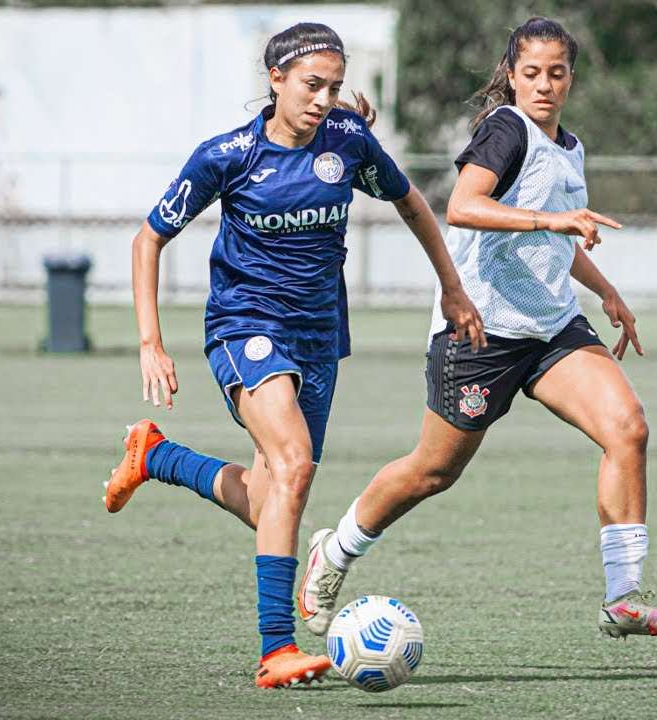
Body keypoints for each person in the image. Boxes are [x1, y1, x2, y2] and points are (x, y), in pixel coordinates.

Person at [102, 23, 484, 688]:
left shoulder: (347, 142)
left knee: (268, 500)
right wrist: (150, 342)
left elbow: (413, 205)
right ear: (274, 80)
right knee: (295, 465)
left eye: (333, 86)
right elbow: (147, 240)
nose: (323, 98)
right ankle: (276, 647)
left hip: (319, 337)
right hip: (244, 326)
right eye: (312, 84)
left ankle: (155, 455)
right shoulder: (227, 155)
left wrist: (452, 287)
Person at [297, 17, 657, 643]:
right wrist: (551, 221)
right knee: (433, 472)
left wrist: (606, 291)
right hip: (481, 331)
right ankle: (336, 552)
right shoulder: (504, 129)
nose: (544, 85)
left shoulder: (570, 147)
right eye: (531, 73)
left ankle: (623, 597)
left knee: (628, 428)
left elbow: (560, 236)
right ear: (511, 76)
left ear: (571, 79)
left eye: (556, 73)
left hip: (552, 326)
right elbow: (464, 207)